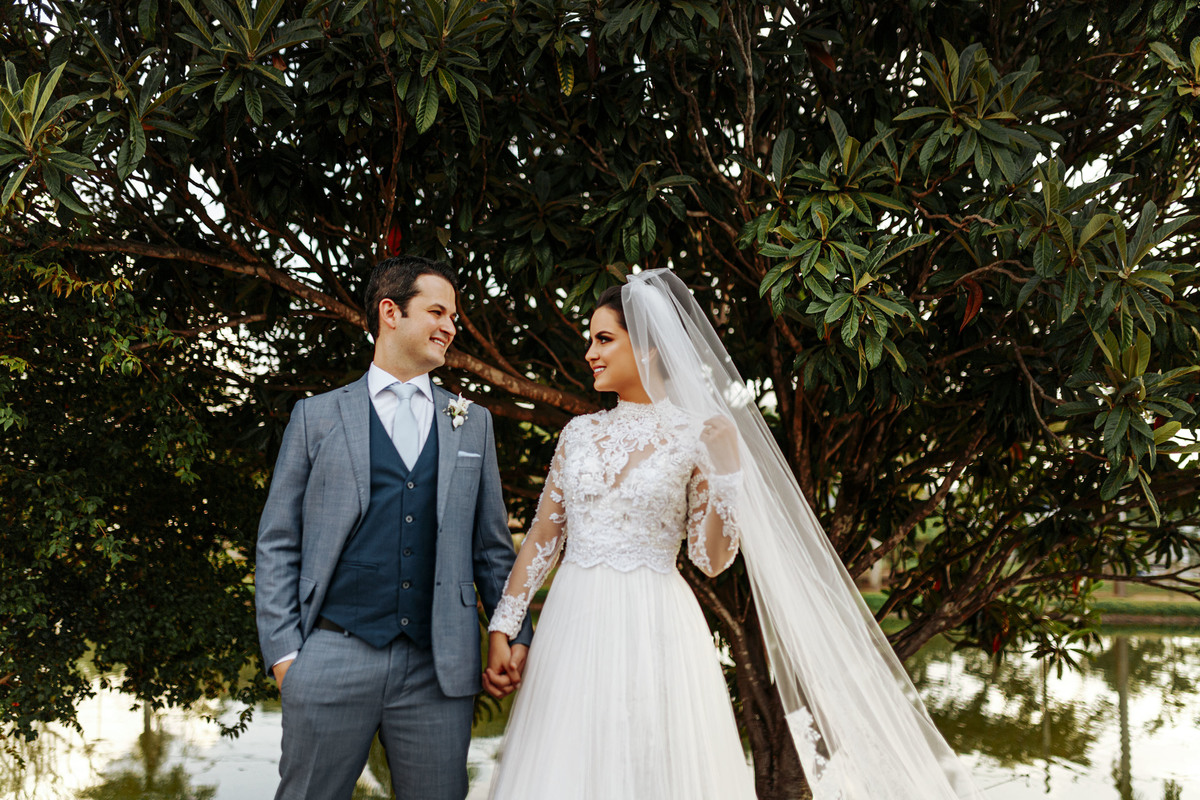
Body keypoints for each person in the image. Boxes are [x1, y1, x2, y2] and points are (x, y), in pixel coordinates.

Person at [484, 269, 986, 800]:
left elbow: (710, 558)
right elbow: (543, 535)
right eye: (591, 340)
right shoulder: (578, 434)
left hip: (657, 620)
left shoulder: (696, 434)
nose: (590, 352)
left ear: (650, 349)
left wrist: (726, 474)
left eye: (604, 338)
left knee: (653, 765)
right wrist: (505, 627)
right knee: (567, 763)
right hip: (573, 619)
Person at [255, 255, 532, 800]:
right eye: (437, 311)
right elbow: (278, 541)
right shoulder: (316, 417)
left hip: (438, 664)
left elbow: (493, 551)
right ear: (390, 312)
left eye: (453, 316)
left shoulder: (472, 421)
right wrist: (286, 655)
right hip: (332, 652)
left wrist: (514, 632)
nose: (450, 326)